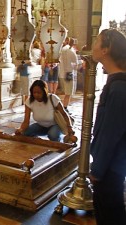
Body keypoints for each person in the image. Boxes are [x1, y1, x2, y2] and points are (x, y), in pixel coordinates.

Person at [89, 28, 126, 225]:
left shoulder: (119, 88)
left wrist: (98, 169)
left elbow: (110, 135)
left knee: (110, 214)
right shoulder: (116, 83)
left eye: (97, 41)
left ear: (106, 49)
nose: (93, 45)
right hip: (112, 164)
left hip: (111, 166)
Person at [58, 37, 79, 112]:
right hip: (69, 73)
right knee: (68, 92)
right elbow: (75, 62)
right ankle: (65, 107)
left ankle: (64, 106)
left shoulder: (62, 49)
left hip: (62, 73)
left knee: (66, 91)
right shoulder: (71, 50)